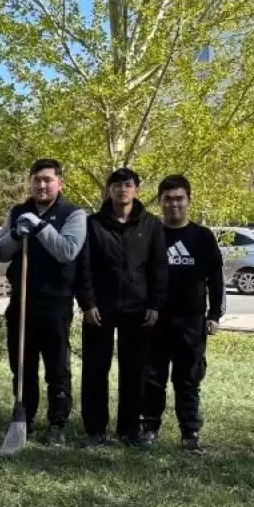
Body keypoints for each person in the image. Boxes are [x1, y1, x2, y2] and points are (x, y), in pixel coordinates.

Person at [0, 158, 89, 445]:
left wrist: (39, 228)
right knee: (22, 362)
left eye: (48, 180)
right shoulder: (18, 211)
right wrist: (16, 233)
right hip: (22, 299)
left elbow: (68, 250)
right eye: (36, 179)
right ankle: (24, 416)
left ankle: (57, 422)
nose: (41, 185)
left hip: (56, 301)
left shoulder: (73, 214)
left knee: (56, 364)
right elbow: (0, 251)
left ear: (59, 183)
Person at [75, 167, 168, 447]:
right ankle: (95, 430)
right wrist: (87, 303)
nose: (122, 189)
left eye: (128, 185)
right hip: (99, 309)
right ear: (109, 190)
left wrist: (155, 303)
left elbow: (159, 267)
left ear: (137, 190)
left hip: (137, 309)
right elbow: (83, 267)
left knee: (134, 371)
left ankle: (129, 431)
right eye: (116, 185)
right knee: (95, 370)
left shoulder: (151, 225)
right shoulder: (93, 224)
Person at [142, 175, 225, 453]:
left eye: (179, 198)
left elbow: (216, 279)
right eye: (168, 199)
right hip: (155, 320)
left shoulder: (201, 237)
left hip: (191, 320)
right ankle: (149, 429)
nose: (173, 204)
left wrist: (214, 315)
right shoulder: (151, 232)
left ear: (188, 200)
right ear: (160, 202)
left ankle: (190, 434)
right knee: (152, 377)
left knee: (188, 379)